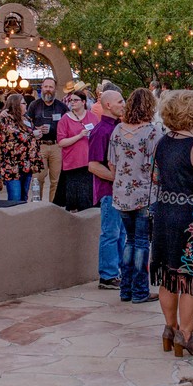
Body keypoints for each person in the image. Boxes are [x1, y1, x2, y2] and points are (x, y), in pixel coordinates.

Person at [151, 90, 193, 357]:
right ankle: (186, 336)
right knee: (191, 278)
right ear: (189, 113)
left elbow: (156, 177)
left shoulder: (162, 143)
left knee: (168, 275)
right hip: (192, 217)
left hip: (165, 213)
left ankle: (169, 328)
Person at [107, 88, 159, 303]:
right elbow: (158, 167)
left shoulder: (118, 130)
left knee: (130, 241)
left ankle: (126, 289)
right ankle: (139, 291)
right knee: (141, 243)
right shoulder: (152, 132)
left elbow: (111, 162)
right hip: (144, 194)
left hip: (121, 193)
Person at [87, 89, 126, 289]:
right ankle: (108, 275)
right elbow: (93, 165)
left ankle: (118, 271)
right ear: (108, 105)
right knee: (110, 233)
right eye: (120, 101)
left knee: (121, 234)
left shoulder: (120, 127)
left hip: (121, 192)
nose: (123, 104)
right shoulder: (101, 131)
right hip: (109, 191)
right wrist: (119, 179)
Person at [52, 89, 96, 211]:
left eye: (76, 100)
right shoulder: (65, 119)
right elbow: (61, 142)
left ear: (83, 102)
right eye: (71, 100)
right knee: (73, 199)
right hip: (72, 163)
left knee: (87, 198)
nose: (73, 102)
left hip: (88, 162)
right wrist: (79, 136)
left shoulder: (92, 117)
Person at [0, 94, 40, 202]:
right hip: (12, 166)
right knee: (15, 197)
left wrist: (37, 133)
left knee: (24, 197)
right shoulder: (6, 119)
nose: (26, 105)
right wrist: (0, 116)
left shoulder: (26, 118)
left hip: (26, 164)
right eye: (23, 103)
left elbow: (29, 133)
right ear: (15, 105)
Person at [28, 77, 67, 203]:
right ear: (42, 88)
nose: (48, 90)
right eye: (46, 87)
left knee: (56, 180)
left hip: (57, 146)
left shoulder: (62, 107)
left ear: (55, 89)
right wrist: (36, 129)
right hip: (40, 146)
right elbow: (27, 124)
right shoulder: (34, 105)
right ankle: (37, 206)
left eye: (51, 87)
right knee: (37, 178)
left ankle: (53, 207)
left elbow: (68, 125)